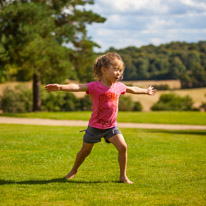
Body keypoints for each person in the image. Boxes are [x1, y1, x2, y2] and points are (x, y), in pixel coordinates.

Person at [45, 52, 156, 184]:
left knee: (123, 147)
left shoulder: (119, 87)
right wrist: (60, 87)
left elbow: (133, 89)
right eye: (115, 69)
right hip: (95, 127)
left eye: (120, 70)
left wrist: (146, 91)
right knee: (85, 151)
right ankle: (74, 170)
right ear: (104, 70)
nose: (118, 73)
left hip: (111, 127)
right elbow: (77, 87)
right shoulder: (94, 86)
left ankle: (123, 176)